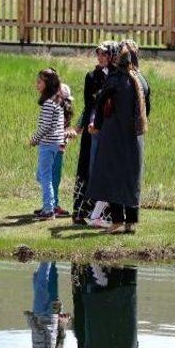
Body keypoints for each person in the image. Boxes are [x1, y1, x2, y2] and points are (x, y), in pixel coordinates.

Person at [88, 43, 149, 234]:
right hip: (134, 137)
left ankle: (116, 221)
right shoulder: (142, 80)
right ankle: (131, 222)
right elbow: (148, 109)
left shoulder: (115, 79)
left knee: (112, 176)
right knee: (130, 177)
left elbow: (99, 103)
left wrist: (97, 126)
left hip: (113, 135)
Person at [72, 42, 114, 227]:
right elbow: (89, 105)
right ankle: (81, 213)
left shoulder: (117, 76)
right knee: (88, 169)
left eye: (105, 54)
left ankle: (104, 214)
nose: (101, 58)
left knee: (107, 170)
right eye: (99, 54)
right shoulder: (91, 76)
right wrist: (80, 126)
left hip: (110, 130)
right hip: (92, 130)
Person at [29, 68, 65, 220]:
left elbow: (45, 127)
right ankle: (48, 205)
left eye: (39, 82)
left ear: (47, 84)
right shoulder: (56, 100)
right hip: (55, 144)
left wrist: (34, 139)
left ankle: (49, 209)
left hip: (48, 144)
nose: (36, 85)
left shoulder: (48, 103)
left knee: (45, 177)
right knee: (43, 176)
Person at [24, 261, 69, 348]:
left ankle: (52, 257)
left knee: (50, 280)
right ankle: (47, 257)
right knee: (41, 282)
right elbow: (38, 331)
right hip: (42, 313)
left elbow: (61, 336)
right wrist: (29, 318)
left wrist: (61, 318)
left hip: (54, 313)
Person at [49, 82, 75, 219]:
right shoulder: (61, 112)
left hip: (54, 148)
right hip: (57, 149)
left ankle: (50, 204)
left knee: (50, 177)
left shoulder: (55, 110)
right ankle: (53, 205)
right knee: (54, 178)